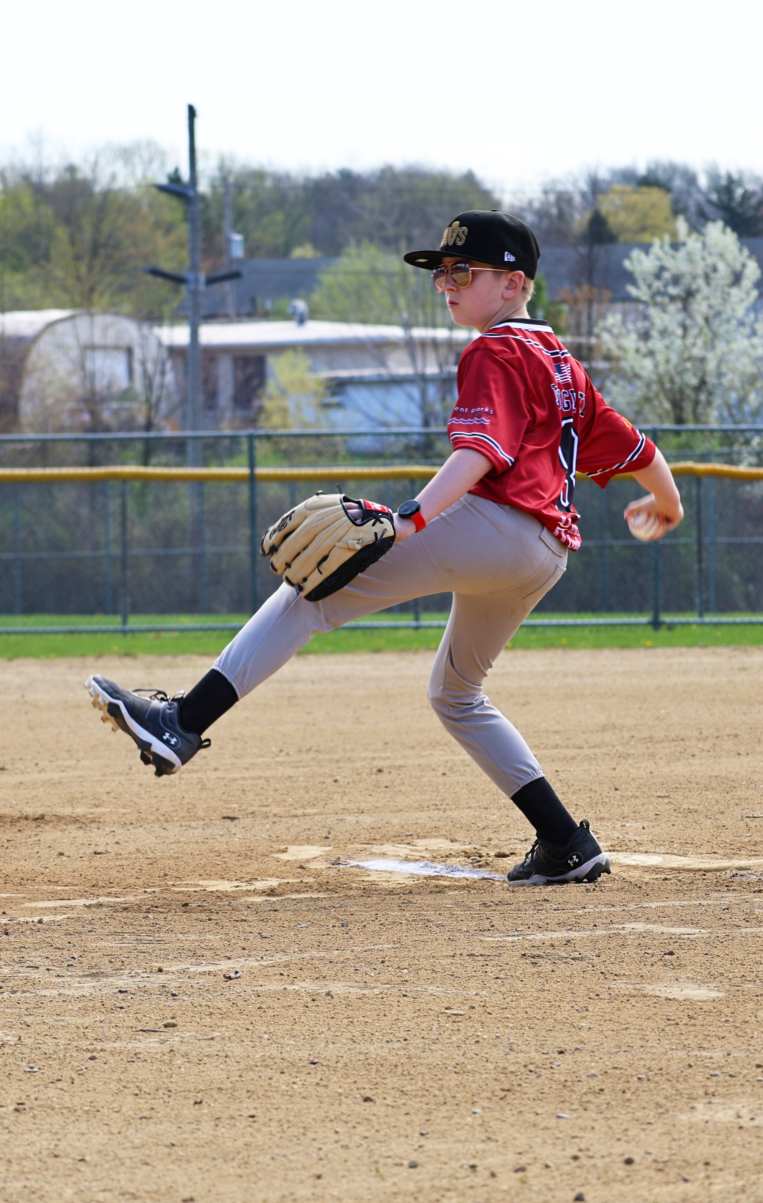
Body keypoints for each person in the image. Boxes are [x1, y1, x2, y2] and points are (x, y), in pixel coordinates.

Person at [84, 210, 684, 885]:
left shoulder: (495, 348)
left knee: (311, 590)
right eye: (442, 272)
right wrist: (668, 503)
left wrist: (411, 518)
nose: (446, 282)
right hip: (543, 554)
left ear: (515, 282)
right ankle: (565, 841)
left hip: (494, 526)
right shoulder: (565, 365)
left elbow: (479, 455)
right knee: (456, 693)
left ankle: (182, 721)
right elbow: (639, 448)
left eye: (465, 270)